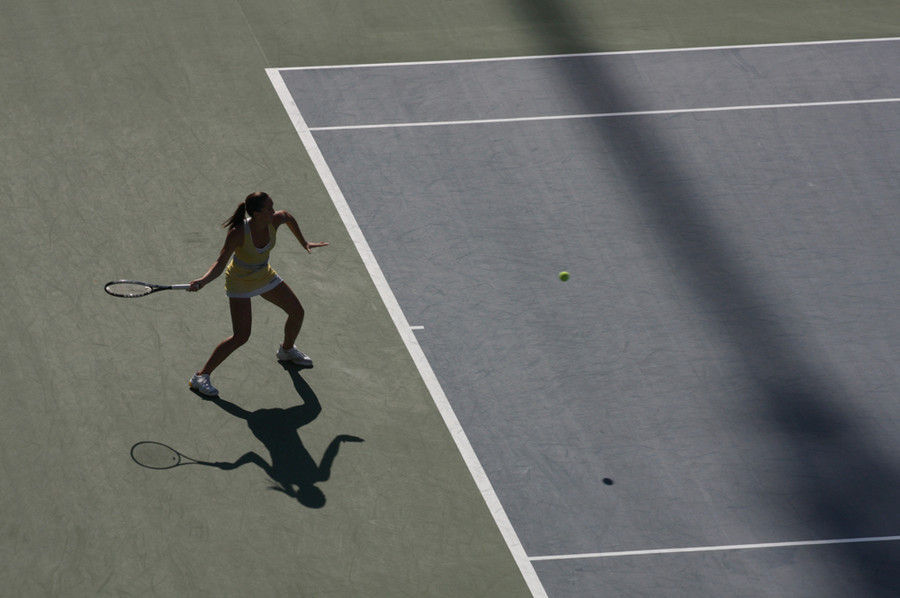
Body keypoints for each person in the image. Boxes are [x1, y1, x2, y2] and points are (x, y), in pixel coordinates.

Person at [187, 192, 328, 396]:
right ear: (256, 213)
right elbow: (220, 264)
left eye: (272, 207)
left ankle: (287, 350)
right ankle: (200, 376)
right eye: (269, 209)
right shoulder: (238, 233)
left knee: (297, 312)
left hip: (264, 275)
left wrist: (304, 242)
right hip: (240, 283)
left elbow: (287, 216)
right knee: (241, 336)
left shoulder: (275, 220)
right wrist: (202, 281)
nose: (274, 211)